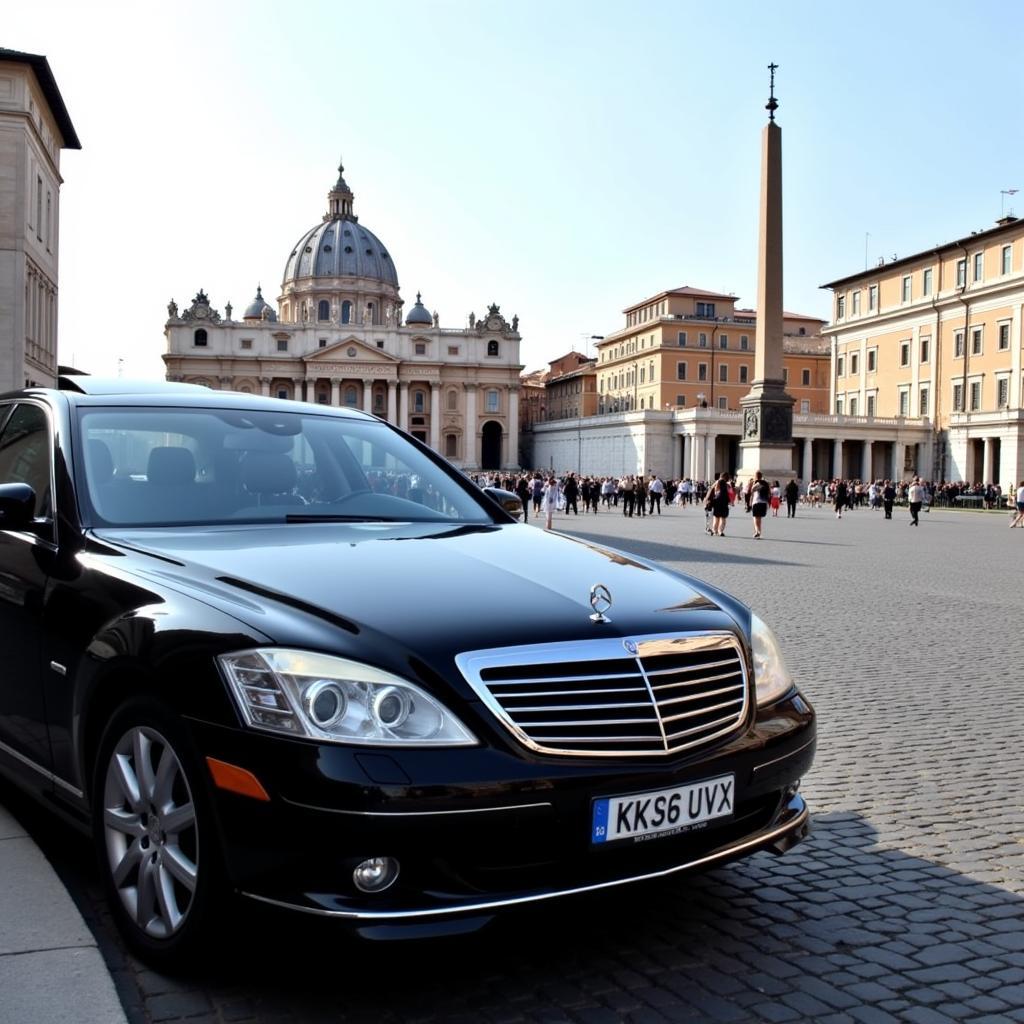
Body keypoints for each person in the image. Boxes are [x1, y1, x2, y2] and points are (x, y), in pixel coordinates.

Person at [708, 472, 732, 536]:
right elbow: (731, 492)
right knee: (723, 517)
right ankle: (720, 531)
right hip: (725, 501)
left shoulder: (718, 481)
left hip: (718, 500)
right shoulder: (728, 484)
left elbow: (714, 488)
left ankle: (714, 530)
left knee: (716, 517)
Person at [750, 471, 770, 539]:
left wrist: (754, 484)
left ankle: (757, 531)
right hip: (764, 502)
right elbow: (769, 494)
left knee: (755, 518)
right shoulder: (766, 484)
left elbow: (752, 490)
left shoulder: (757, 483)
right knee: (759, 518)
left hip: (756, 502)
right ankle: (759, 532)